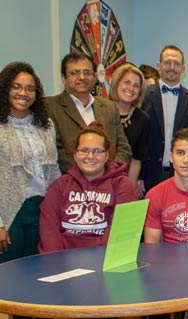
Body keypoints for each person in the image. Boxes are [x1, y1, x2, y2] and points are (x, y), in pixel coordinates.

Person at [38, 122, 136, 252]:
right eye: (84, 150)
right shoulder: (59, 186)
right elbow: (49, 230)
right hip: (63, 262)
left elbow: (120, 231)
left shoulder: (122, 184)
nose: (90, 157)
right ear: (75, 154)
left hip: (104, 261)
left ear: (107, 155)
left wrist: (99, 261)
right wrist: (58, 264)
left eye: (97, 151)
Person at [0, 62, 61, 263]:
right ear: (5, 89)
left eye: (29, 88)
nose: (23, 93)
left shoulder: (45, 125)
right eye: (16, 86)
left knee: (37, 270)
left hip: (41, 208)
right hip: (10, 213)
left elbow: (53, 169)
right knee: (8, 275)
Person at [45, 52, 132, 173]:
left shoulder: (109, 107)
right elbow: (54, 151)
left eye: (87, 72)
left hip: (109, 183)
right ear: (63, 78)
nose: (82, 77)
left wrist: (108, 174)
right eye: (74, 73)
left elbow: (123, 148)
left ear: (95, 76)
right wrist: (87, 175)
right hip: (71, 184)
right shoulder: (50, 107)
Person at [140, 45, 188, 193]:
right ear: (158, 65)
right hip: (148, 176)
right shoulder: (143, 98)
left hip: (184, 176)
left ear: (183, 68)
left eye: (177, 64)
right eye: (167, 62)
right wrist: (136, 177)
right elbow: (137, 141)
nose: (171, 67)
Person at [109, 63, 150, 198]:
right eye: (126, 82)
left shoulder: (142, 118)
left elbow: (136, 159)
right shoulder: (100, 109)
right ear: (116, 83)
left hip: (124, 181)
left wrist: (129, 192)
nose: (130, 88)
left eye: (136, 85)